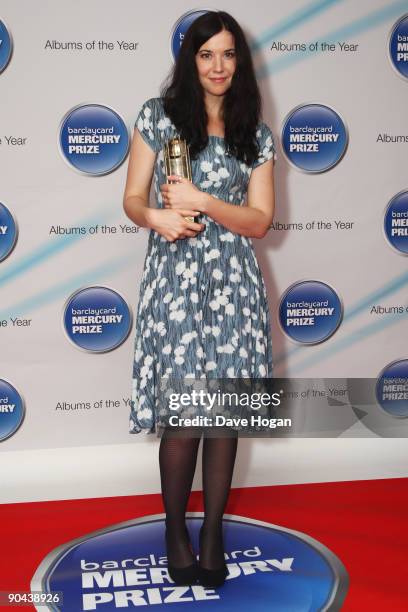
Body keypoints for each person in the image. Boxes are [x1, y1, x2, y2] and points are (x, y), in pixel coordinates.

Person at [123, 10, 276, 588]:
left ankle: (211, 529)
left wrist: (206, 201)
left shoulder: (253, 132)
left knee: (224, 415)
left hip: (235, 284)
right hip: (177, 281)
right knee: (186, 416)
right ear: (190, 59)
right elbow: (133, 198)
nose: (218, 66)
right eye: (206, 54)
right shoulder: (159, 118)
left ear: (241, 62)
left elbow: (260, 221)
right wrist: (156, 216)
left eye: (228, 54)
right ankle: (173, 528)